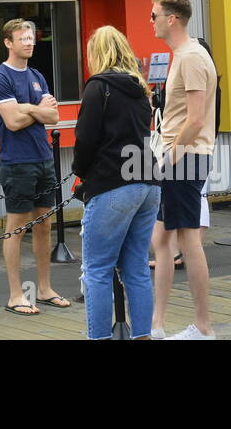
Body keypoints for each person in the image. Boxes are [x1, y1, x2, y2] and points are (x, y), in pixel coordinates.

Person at [73, 25, 160, 340]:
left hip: (112, 183)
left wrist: (81, 172)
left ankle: (99, 337)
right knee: (136, 269)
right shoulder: (141, 88)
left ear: (97, 53)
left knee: (97, 271)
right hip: (148, 181)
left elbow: (85, 140)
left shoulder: (98, 87)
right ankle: (143, 336)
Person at [0, 18, 71, 315]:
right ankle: (15, 295)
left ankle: (45, 289)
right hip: (18, 162)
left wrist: (27, 108)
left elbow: (54, 118)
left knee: (44, 225)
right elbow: (11, 122)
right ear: (8, 42)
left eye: (32, 38)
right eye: (23, 38)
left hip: (44, 158)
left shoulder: (37, 75)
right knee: (16, 229)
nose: (29, 42)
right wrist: (38, 109)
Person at [148, 0, 218, 340]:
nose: (152, 20)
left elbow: (194, 120)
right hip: (179, 157)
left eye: (155, 15)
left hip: (184, 158)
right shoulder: (183, 55)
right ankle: (157, 324)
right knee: (161, 239)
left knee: (189, 240)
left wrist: (169, 157)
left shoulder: (190, 57)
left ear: (171, 19)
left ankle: (203, 327)